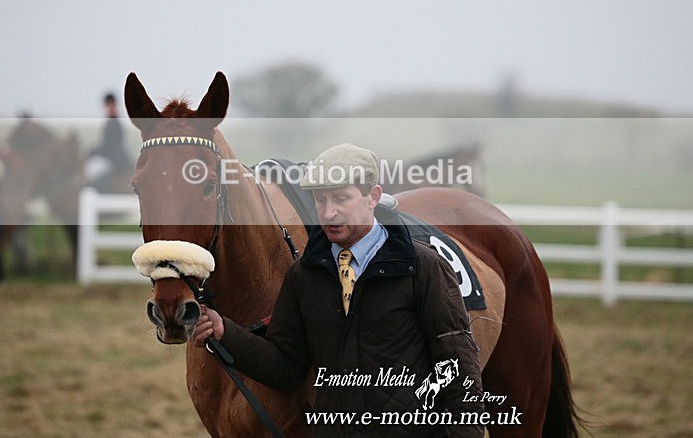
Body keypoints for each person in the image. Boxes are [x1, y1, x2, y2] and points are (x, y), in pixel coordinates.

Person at [194, 143, 485, 436]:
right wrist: (226, 333)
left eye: (341, 198)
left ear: (373, 197)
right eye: (320, 200)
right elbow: (285, 366)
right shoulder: (303, 276)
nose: (330, 212)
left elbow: (457, 365)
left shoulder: (424, 267)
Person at [86, 92, 131, 193]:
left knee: (93, 169)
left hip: (114, 158)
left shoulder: (114, 123)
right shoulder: (112, 122)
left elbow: (109, 145)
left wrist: (92, 151)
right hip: (111, 155)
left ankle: (99, 195)